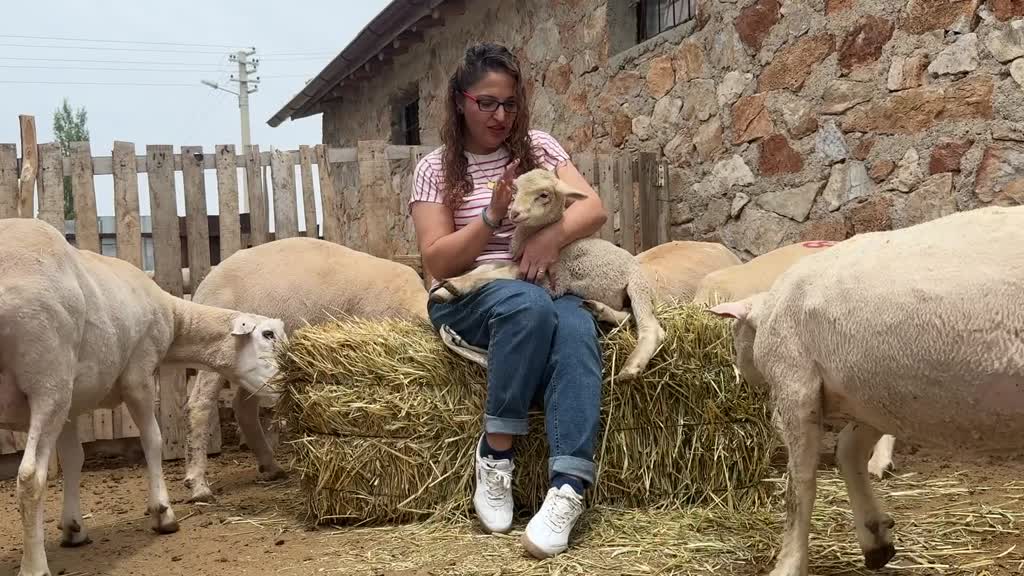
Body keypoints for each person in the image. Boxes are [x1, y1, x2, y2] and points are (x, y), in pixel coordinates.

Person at [409, 42, 608, 559]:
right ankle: (496, 456)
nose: (501, 116)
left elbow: (592, 209)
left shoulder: (539, 149)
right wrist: (491, 219)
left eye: (511, 104)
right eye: (487, 103)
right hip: (470, 295)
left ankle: (568, 488)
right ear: (460, 102)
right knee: (528, 306)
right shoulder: (436, 169)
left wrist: (549, 238)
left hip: (540, 280)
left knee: (578, 327)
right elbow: (438, 262)